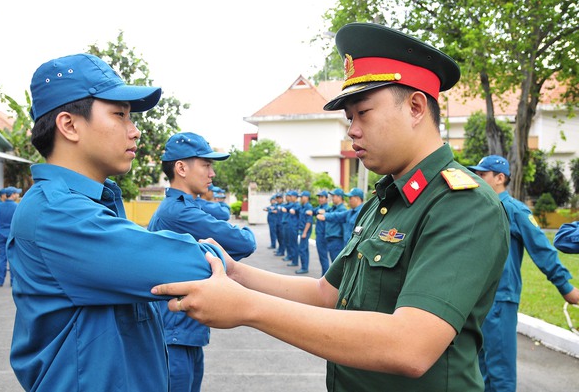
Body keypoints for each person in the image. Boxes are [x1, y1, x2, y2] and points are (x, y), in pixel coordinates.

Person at [152, 22, 510, 392]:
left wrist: (246, 308)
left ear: (416, 107)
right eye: (349, 118)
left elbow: (410, 345)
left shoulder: (461, 203)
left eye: (363, 113)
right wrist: (236, 273)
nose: (352, 130)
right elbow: (328, 294)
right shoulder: (387, 200)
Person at [6, 53, 226, 391]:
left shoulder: (88, 203)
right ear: (69, 125)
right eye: (120, 115)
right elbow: (192, 264)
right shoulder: (57, 214)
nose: (135, 131)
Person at [148, 131, 256, 392]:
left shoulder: (184, 207)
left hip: (183, 330)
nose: (212, 173)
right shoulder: (178, 212)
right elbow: (245, 242)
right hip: (175, 331)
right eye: (206, 165)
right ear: (181, 168)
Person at [468, 155, 579, 392]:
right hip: (473, 302)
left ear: (500, 178)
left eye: (482, 174)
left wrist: (566, 287)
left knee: (500, 374)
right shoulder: (475, 209)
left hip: (500, 301)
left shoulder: (515, 211)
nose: (477, 179)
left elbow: (543, 249)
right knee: (477, 370)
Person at [0, 186, 22, 287]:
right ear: (12, 194)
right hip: (13, 236)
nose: (18, 195)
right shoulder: (17, 207)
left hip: (0, 236)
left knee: (0, 258)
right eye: (16, 193)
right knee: (13, 258)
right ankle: (13, 281)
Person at [316, 188, 347, 262]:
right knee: (333, 262)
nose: (332, 198)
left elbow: (334, 216)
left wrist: (325, 215)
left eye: (334, 196)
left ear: (339, 197)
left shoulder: (342, 210)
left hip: (337, 240)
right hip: (331, 239)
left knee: (336, 264)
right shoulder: (333, 208)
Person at [310, 190, 331, 275]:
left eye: (322, 197)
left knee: (324, 257)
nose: (320, 199)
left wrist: (325, 212)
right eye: (319, 197)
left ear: (326, 198)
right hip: (319, 235)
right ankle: (324, 274)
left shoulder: (328, 208)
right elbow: (313, 211)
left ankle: (325, 276)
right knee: (322, 257)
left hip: (324, 235)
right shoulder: (319, 208)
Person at [295, 190, 313, 274]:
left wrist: (305, 232)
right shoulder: (302, 207)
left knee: (302, 249)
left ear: (307, 197)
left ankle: (304, 267)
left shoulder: (308, 207)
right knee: (304, 249)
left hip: (305, 231)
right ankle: (304, 266)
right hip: (301, 230)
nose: (301, 198)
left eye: (302, 197)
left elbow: (309, 221)